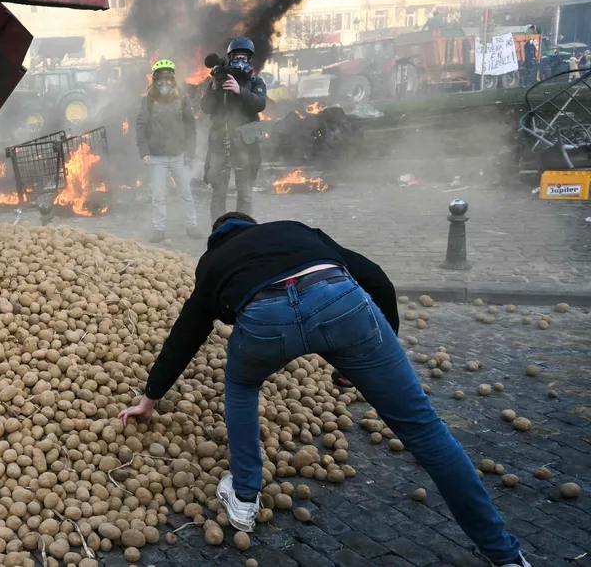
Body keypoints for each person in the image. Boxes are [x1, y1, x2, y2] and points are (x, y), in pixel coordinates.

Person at [118, 213, 530, 567]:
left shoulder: (212, 262)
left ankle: (243, 497)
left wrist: (150, 398)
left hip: (265, 320)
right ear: (256, 227)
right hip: (341, 302)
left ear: (216, 239)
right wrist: (377, 349)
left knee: (242, 387)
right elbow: (377, 279)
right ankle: (505, 555)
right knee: (426, 432)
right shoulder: (296, 230)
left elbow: (186, 334)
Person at [201, 37, 267, 222]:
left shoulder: (256, 83)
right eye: (237, 57)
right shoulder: (218, 81)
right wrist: (214, 88)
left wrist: (241, 91)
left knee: (244, 192)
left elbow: (260, 104)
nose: (240, 62)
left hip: (245, 146)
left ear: (250, 60)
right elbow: (206, 108)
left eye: (245, 58)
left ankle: (243, 229)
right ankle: (220, 229)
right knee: (218, 193)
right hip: (221, 144)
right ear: (230, 57)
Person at [134, 59, 200, 243]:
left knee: (186, 192)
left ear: (173, 79)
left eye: (168, 78)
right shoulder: (147, 101)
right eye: (161, 79)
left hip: (178, 154)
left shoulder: (182, 99)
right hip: (156, 156)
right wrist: (144, 152)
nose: (165, 82)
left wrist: (190, 152)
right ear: (155, 80)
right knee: (158, 195)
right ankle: (159, 228)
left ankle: (191, 225)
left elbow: (191, 126)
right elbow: (141, 126)